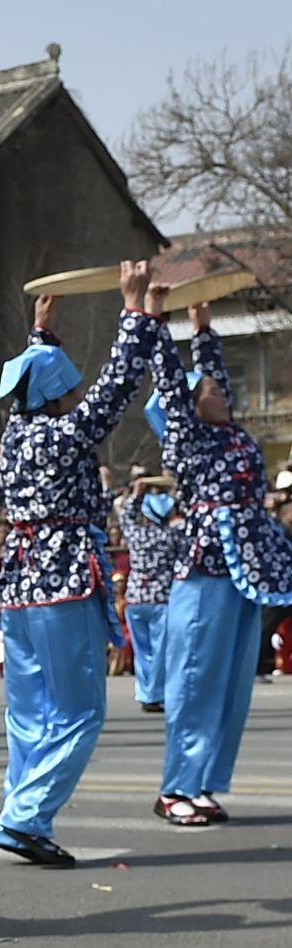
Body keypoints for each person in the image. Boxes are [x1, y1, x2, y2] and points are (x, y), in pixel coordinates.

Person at [0, 268, 166, 866]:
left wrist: (42, 335)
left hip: (21, 588)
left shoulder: (16, 437)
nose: (80, 398)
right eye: (72, 390)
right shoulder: (64, 434)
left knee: (30, 714)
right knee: (82, 710)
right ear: (59, 397)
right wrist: (134, 312)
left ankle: (22, 810)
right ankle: (24, 817)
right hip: (63, 583)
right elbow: (116, 390)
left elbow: (35, 390)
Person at [146, 296, 292, 825]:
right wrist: (157, 321)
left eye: (217, 385)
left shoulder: (233, 432)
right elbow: (169, 380)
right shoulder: (188, 439)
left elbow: (212, 374)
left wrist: (203, 329)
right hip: (208, 566)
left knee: (232, 683)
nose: (217, 389)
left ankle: (205, 782)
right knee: (194, 678)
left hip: (249, 568)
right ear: (187, 404)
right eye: (206, 388)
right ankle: (175, 788)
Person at [113, 478, 184, 720]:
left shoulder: (137, 535)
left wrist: (136, 494)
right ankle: (155, 694)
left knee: (142, 649)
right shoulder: (173, 536)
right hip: (163, 599)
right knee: (161, 649)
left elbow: (124, 517)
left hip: (136, 598)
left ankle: (146, 692)